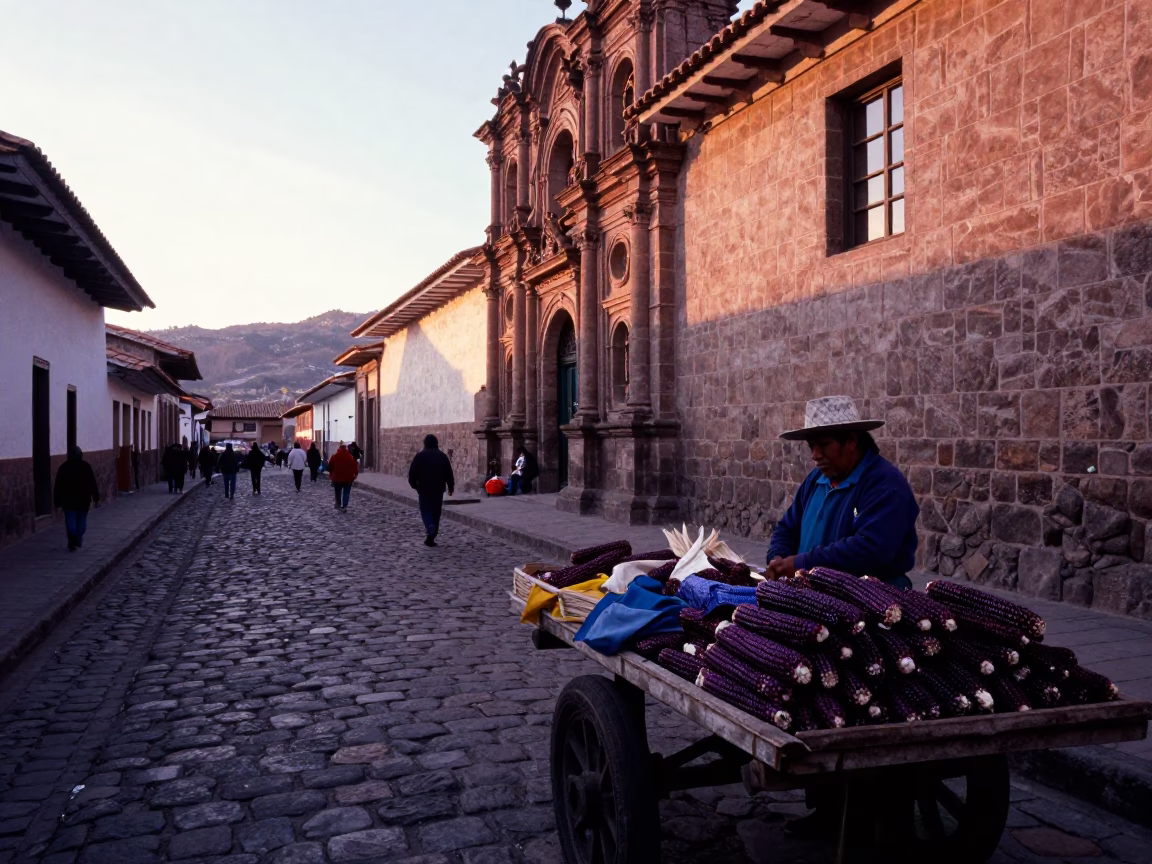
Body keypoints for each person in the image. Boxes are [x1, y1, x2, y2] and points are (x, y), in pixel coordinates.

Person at [767, 396, 919, 839]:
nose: (815, 455)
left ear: (852, 441)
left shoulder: (883, 485)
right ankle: (827, 805)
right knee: (814, 701)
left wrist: (803, 562)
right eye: (812, 446)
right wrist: (779, 559)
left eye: (824, 445)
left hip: (873, 608)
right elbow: (786, 527)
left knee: (855, 701)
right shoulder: (815, 482)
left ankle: (868, 803)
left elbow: (872, 548)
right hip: (815, 604)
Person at [408, 434, 454, 547]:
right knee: (436, 512)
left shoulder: (420, 456)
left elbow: (412, 472)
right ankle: (431, 537)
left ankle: (430, 527)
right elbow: (449, 473)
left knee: (426, 510)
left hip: (424, 488)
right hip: (438, 489)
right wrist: (451, 486)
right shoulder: (442, 456)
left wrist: (414, 485)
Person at [53, 446, 100, 551]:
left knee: (71, 522)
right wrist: (96, 498)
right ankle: (76, 538)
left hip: (69, 501)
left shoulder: (63, 467)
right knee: (81, 523)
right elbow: (92, 483)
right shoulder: (85, 466)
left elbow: (58, 486)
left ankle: (73, 539)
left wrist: (57, 501)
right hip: (82, 500)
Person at [328, 442, 359, 511]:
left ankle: (338, 504)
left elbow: (330, 467)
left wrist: (331, 475)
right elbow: (355, 467)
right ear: (346, 449)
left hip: (337, 478)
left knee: (337, 492)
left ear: (339, 448)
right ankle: (344, 506)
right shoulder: (350, 457)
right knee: (346, 492)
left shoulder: (334, 456)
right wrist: (354, 476)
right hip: (348, 478)